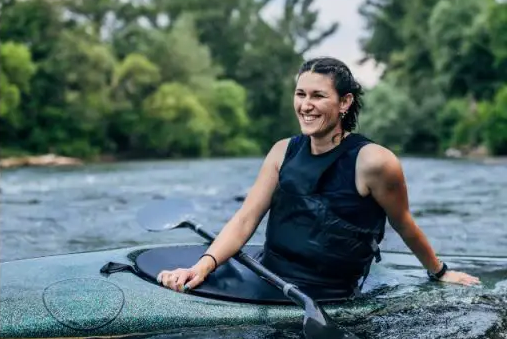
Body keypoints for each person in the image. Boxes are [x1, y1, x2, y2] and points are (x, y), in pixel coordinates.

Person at [157, 56, 480, 299]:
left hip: (327, 290)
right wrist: (202, 266)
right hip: (268, 271)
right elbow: (245, 220)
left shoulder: (375, 162)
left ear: (345, 102)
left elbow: (404, 223)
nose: (306, 106)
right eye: (301, 94)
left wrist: (439, 272)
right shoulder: (282, 151)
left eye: (318, 96)